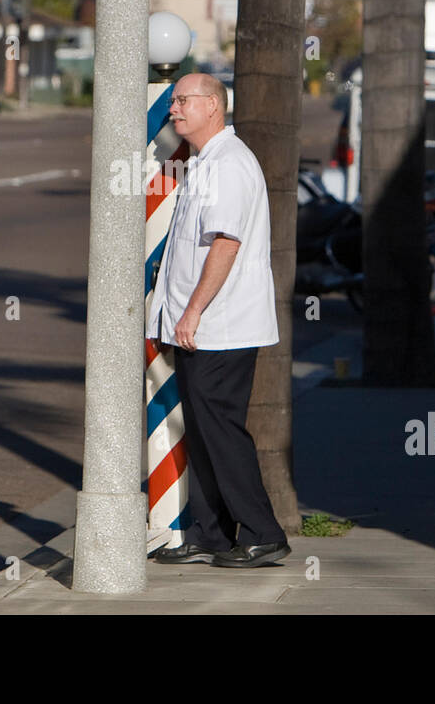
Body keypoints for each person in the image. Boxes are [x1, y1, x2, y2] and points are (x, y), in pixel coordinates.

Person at [146, 71, 290, 569]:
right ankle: (210, 534)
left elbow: (225, 244)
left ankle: (263, 533)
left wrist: (192, 312)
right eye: (173, 102)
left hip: (221, 325)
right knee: (204, 431)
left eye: (183, 100)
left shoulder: (229, 165)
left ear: (212, 105)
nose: (173, 110)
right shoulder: (206, 162)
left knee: (221, 431)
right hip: (199, 326)